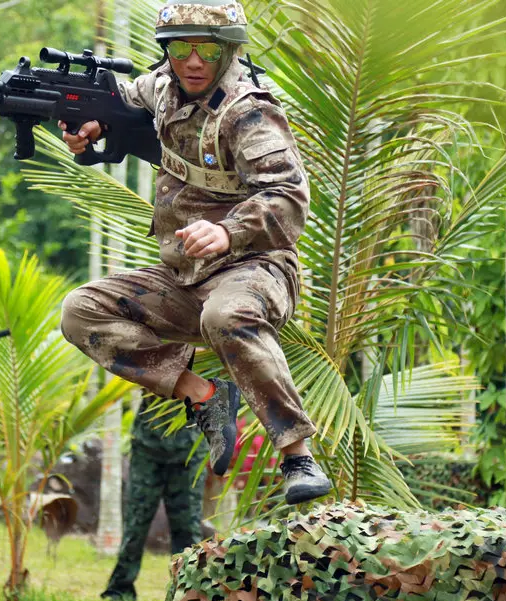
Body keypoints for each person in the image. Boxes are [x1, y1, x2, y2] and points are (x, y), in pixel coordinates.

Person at [58, 0, 331, 505]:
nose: (193, 61)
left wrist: (229, 231)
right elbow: (124, 96)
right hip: (183, 275)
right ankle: (202, 396)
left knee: (227, 314)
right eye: (181, 47)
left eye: (207, 48)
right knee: (79, 312)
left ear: (228, 50)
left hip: (255, 266)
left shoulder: (249, 112)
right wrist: (92, 126)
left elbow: (291, 197)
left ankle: (298, 456)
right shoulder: (162, 86)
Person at [101, 394, 207, 601]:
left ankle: (189, 594)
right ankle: (119, 590)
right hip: (147, 445)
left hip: (189, 449)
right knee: (136, 522)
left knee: (187, 527)